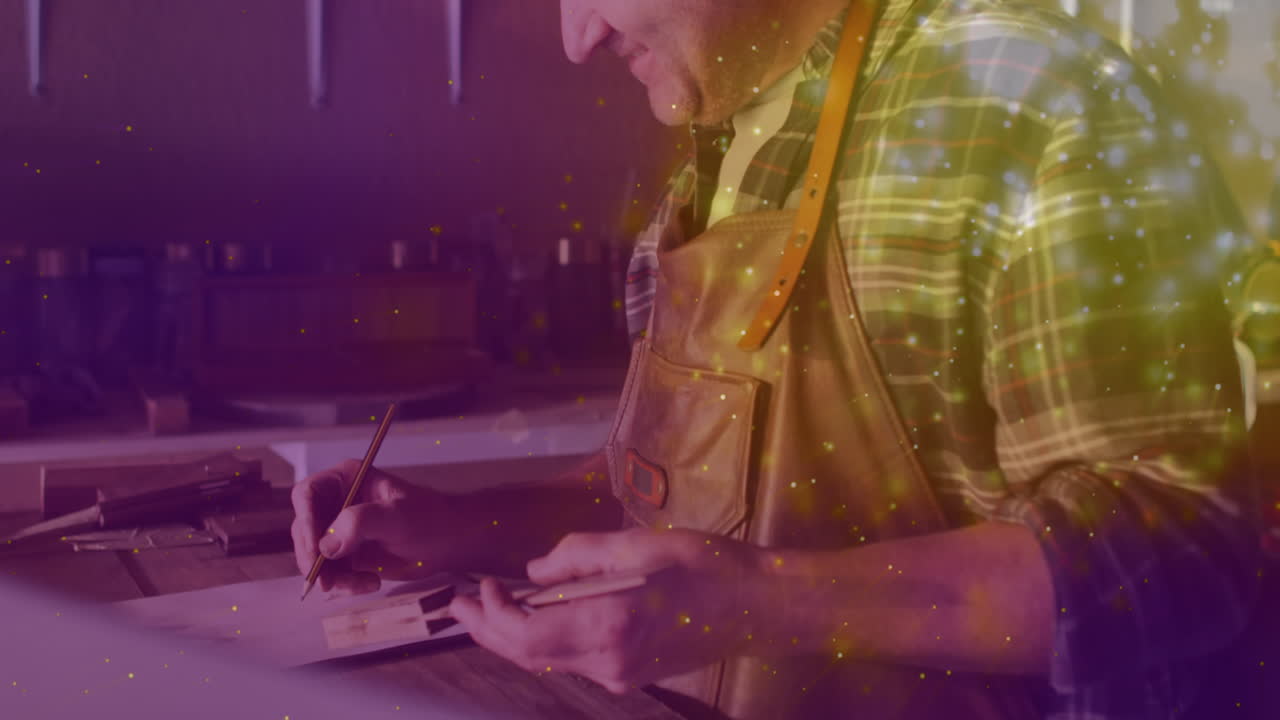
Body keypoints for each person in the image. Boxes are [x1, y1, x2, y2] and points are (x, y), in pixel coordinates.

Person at [292, 1, 1264, 717]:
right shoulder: (717, 143)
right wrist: (467, 527)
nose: (573, 37)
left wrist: (758, 603)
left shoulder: (1025, 97)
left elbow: (1179, 549)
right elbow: (676, 499)